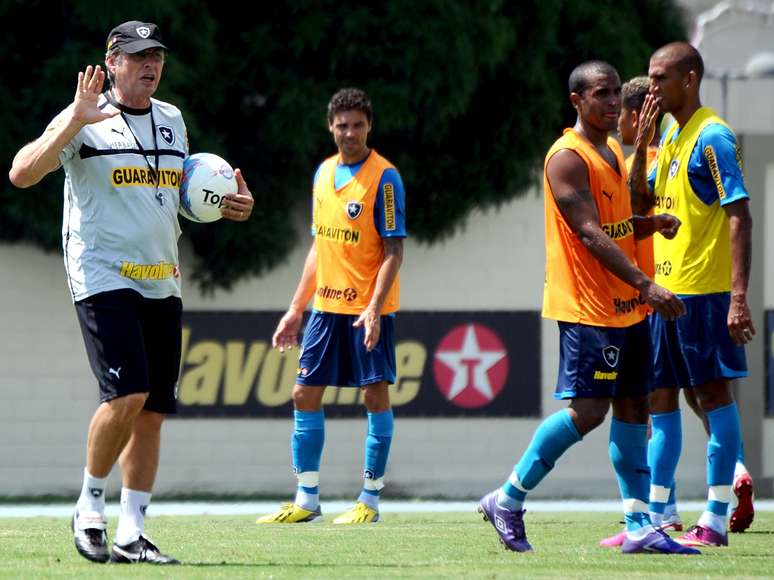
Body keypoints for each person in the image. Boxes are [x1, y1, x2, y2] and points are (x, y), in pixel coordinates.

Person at [8, 21, 254, 565]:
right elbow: (21, 174)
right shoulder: (85, 117)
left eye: (157, 56)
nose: (151, 64)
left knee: (152, 411)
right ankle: (88, 506)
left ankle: (131, 532)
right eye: (138, 56)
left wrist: (227, 204)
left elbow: (176, 198)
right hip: (102, 275)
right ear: (112, 60)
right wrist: (73, 119)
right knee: (126, 395)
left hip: (161, 279)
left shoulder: (172, 120)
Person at [478, 61, 697, 555]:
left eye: (618, 92)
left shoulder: (611, 150)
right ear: (577, 100)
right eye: (602, 93)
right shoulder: (567, 157)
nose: (614, 101)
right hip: (589, 308)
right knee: (587, 412)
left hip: (626, 305)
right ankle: (508, 499)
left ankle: (639, 524)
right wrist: (648, 284)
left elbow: (614, 225)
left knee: (635, 406)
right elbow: (589, 232)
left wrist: (647, 223)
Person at [601, 73, 755, 548]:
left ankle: (713, 517)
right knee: (661, 401)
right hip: (664, 295)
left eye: (662, 77)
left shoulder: (713, 136)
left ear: (689, 80)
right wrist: (643, 144)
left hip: (703, 295)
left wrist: (737, 296)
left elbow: (739, 213)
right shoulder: (667, 138)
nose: (654, 89)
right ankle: (661, 513)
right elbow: (639, 204)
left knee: (713, 398)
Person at [258, 88, 406, 525]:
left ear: (369, 127)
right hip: (325, 308)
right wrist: (294, 309)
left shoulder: (386, 178)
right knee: (303, 393)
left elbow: (394, 250)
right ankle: (307, 500)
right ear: (330, 127)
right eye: (342, 125)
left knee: (374, 395)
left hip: (367, 310)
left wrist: (376, 307)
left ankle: (370, 500)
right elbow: (319, 248)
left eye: (358, 125)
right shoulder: (323, 174)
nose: (350, 133)